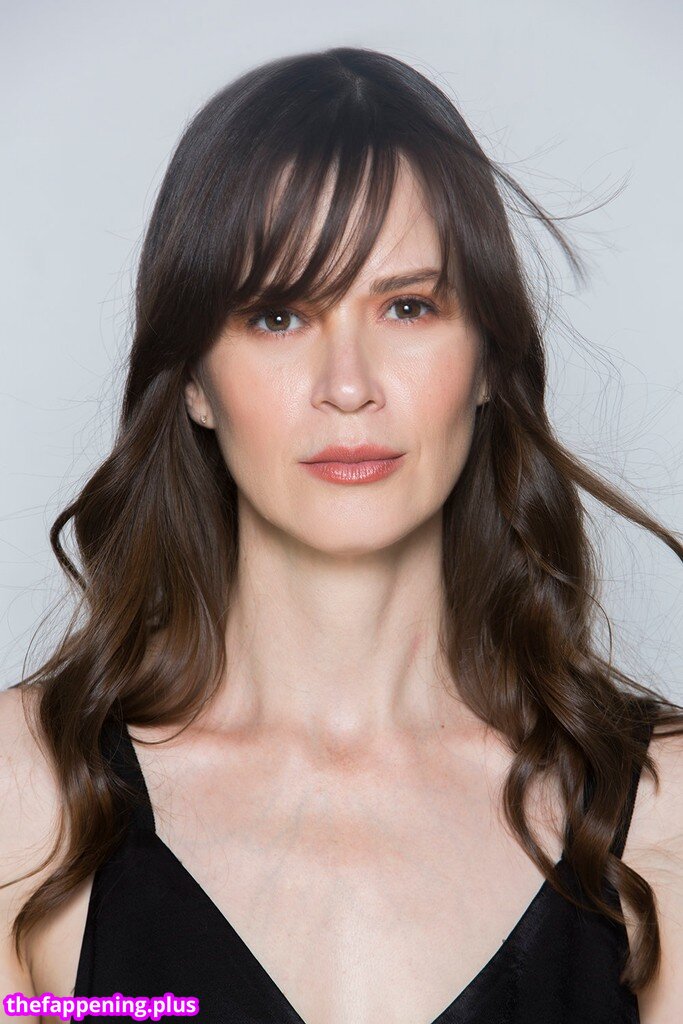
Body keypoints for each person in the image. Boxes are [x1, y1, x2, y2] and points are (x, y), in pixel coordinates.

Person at [1, 46, 681, 1024]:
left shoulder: (661, 807)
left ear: (488, 360)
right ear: (193, 381)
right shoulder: (23, 800)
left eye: (407, 306)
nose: (348, 385)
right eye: (278, 315)